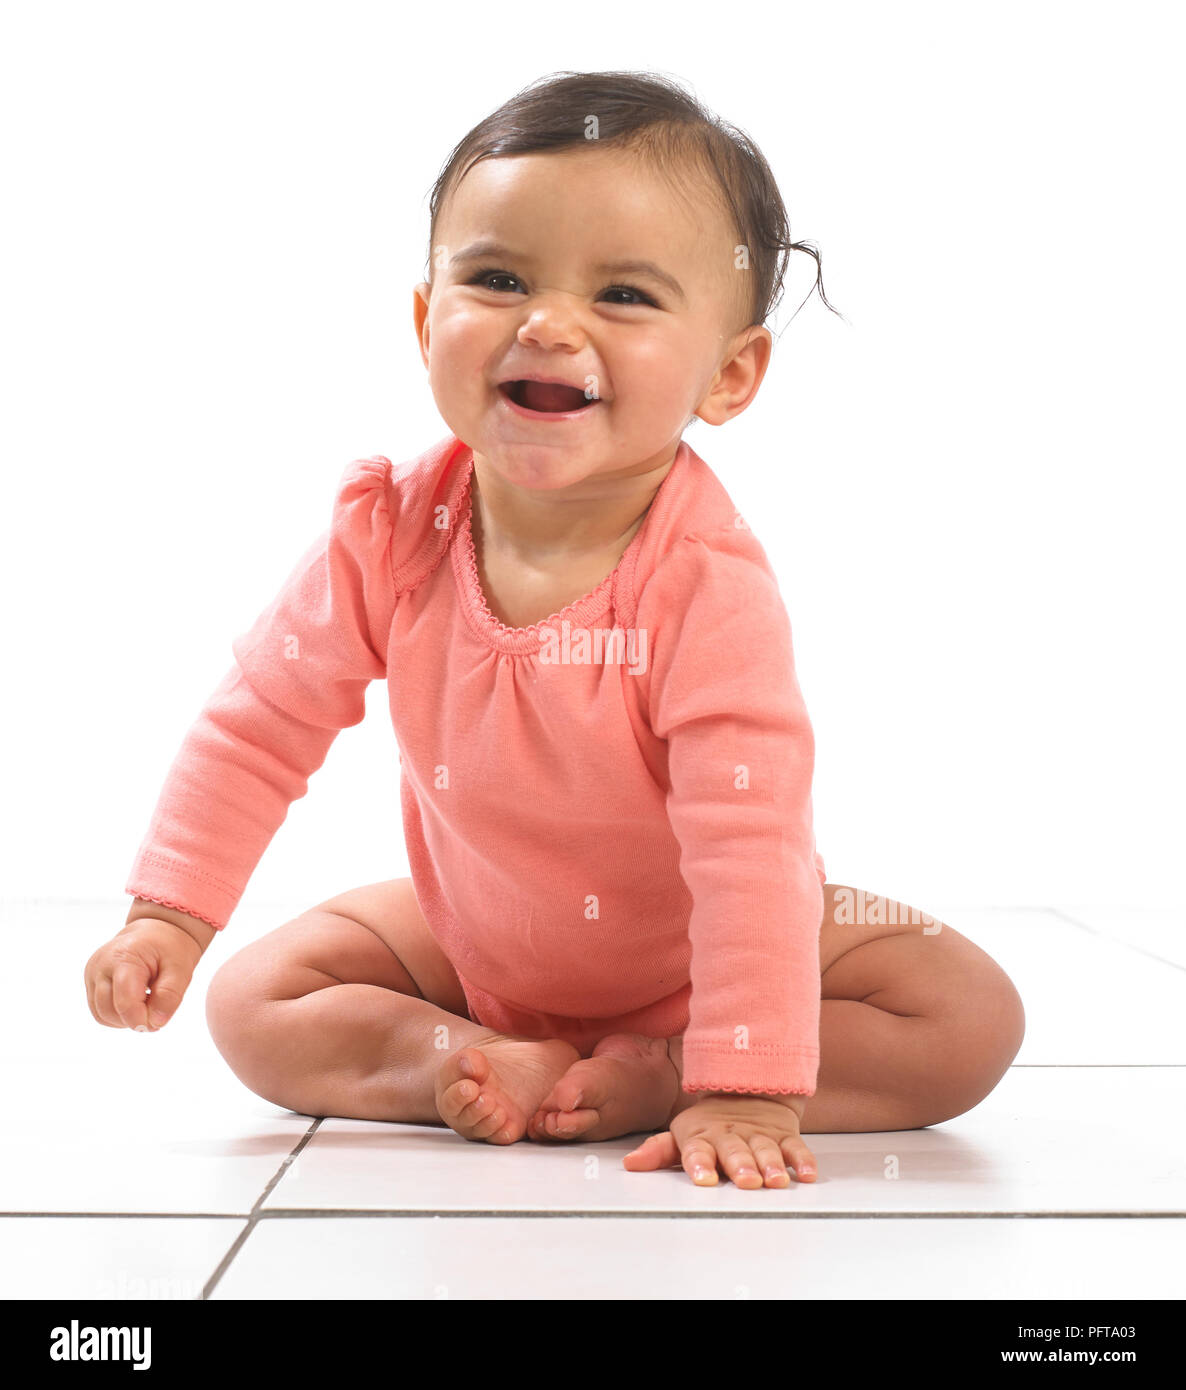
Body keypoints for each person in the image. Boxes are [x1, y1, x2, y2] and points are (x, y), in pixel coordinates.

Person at [85, 70, 1025, 1190]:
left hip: (709, 944)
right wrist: (169, 919)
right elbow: (258, 726)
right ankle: (477, 1058)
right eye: (497, 277)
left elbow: (749, 845)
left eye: (623, 296)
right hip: (480, 939)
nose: (546, 320)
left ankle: (658, 1071)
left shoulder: (702, 585)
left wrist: (743, 1076)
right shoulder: (388, 532)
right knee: (255, 1002)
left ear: (727, 375)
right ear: (429, 320)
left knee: (967, 1015)